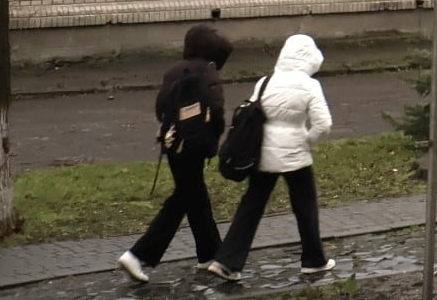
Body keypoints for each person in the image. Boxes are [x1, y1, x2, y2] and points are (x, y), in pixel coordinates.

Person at [206, 31, 333, 279]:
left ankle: (226, 261)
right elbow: (323, 124)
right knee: (305, 207)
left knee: (251, 207)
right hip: (296, 155)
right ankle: (313, 260)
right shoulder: (310, 85)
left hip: (263, 152)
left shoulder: (265, 81)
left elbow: (253, 112)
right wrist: (307, 140)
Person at [118, 22, 232, 282]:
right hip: (196, 144)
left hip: (173, 142)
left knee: (195, 197)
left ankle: (210, 254)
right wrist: (212, 139)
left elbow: (161, 108)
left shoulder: (173, 72)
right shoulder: (209, 72)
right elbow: (216, 112)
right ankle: (138, 254)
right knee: (183, 198)